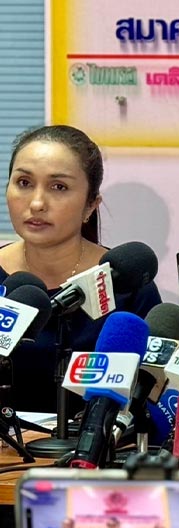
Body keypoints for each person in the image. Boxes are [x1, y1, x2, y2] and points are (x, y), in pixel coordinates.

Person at [0, 125, 161, 413]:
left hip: (99, 441)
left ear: (90, 205)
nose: (36, 203)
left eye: (59, 187)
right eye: (24, 182)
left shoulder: (127, 282)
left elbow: (150, 394)